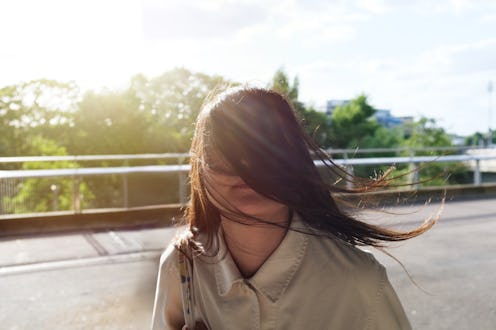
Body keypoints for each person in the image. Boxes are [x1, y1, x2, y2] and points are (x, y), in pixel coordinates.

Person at [151, 87, 435, 330]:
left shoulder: (359, 279)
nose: (247, 171)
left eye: (266, 154)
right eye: (223, 155)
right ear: (199, 169)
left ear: (295, 162)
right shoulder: (181, 265)